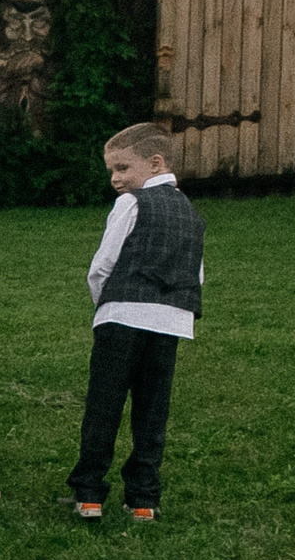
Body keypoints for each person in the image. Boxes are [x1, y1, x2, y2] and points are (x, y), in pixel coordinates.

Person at [70, 122, 202, 523]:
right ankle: (144, 498)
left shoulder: (131, 204)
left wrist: (104, 307)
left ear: (155, 163)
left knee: (104, 405)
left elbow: (102, 267)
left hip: (122, 316)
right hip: (171, 322)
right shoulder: (192, 214)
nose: (116, 179)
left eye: (122, 168)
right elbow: (195, 276)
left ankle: (90, 493)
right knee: (152, 410)